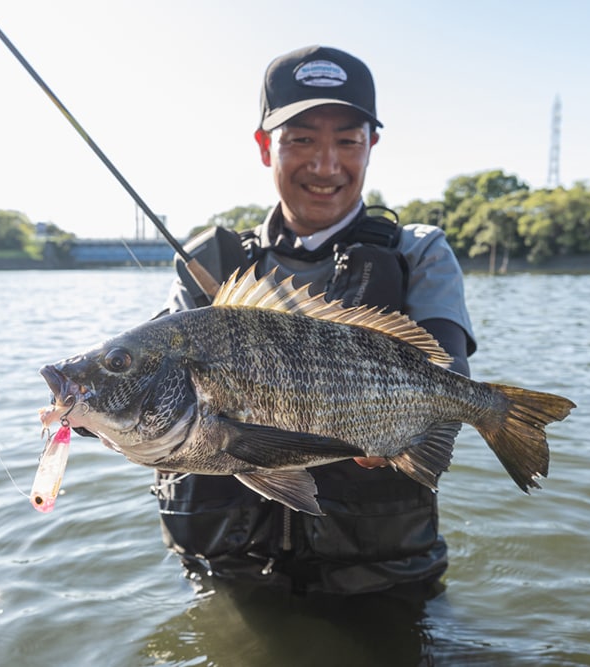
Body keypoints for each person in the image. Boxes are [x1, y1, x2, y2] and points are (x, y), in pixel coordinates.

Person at [154, 45, 476, 598]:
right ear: (265, 147)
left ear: (371, 146)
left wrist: (402, 421)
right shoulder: (207, 261)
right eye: (301, 139)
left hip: (382, 580)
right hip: (232, 576)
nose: (326, 165)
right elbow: (158, 386)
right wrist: (102, 413)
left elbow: (449, 374)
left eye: (347, 141)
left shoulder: (417, 252)